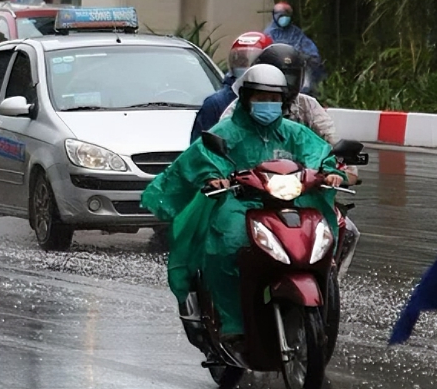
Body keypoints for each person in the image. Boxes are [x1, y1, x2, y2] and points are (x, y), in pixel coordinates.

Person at [141, 64, 342, 344]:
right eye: (261, 98)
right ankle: (232, 321)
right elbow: (204, 158)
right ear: (246, 99)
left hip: (288, 203)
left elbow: (319, 155)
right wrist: (214, 177)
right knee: (229, 245)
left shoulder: (295, 133)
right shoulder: (227, 131)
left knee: (318, 239)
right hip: (239, 205)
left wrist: (331, 172)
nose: (267, 104)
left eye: (273, 99)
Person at [219, 43, 336, 144]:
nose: (284, 85)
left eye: (274, 99)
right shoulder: (236, 113)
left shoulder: (305, 111)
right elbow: (218, 147)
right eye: (261, 99)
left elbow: (329, 144)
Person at [190, 31, 271, 141]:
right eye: (240, 61)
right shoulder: (217, 103)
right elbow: (199, 148)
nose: (245, 67)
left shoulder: (281, 102)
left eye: (252, 62)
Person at [264, 1, 325, 94]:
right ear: (274, 15)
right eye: (281, 15)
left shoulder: (296, 33)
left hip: (295, 70)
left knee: (307, 84)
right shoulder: (268, 34)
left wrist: (306, 57)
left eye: (287, 15)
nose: (284, 18)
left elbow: (311, 52)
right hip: (275, 72)